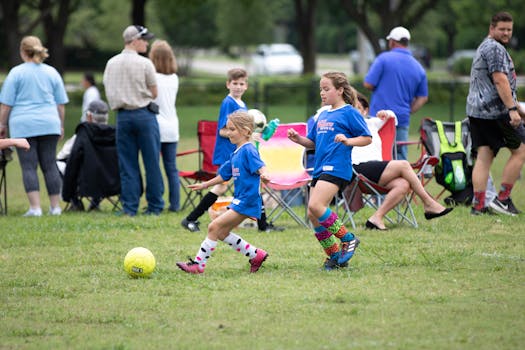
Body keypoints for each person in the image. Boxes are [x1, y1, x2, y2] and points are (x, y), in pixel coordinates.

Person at [181, 68, 282, 232]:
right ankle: (190, 219)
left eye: (241, 83)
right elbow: (222, 130)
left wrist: (255, 134)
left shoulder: (243, 104)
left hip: (240, 153)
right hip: (228, 153)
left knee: (252, 185)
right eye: (235, 83)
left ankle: (263, 225)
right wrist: (245, 136)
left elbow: (244, 128)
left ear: (246, 86)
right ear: (228, 84)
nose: (238, 87)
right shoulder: (228, 103)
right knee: (221, 187)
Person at [287, 72, 371, 270]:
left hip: (337, 167)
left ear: (340, 90)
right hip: (320, 168)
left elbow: (367, 138)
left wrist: (348, 140)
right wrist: (298, 139)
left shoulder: (349, 112)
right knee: (313, 214)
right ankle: (334, 256)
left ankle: (348, 239)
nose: (322, 94)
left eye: (327, 89)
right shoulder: (323, 114)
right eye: (321, 90)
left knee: (316, 205)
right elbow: (313, 142)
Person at [177, 111, 269, 274]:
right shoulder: (235, 153)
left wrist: (264, 174)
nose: (227, 133)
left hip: (247, 200)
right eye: (227, 129)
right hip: (239, 200)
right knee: (221, 232)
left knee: (214, 227)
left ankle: (198, 265)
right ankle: (256, 255)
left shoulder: (249, 150)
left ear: (246, 131)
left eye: (232, 129)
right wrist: (205, 185)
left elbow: (261, 165)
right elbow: (223, 176)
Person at [352, 93, 453, 230]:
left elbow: (393, 119)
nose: (355, 111)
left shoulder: (372, 123)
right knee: (404, 164)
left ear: (365, 111)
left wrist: (385, 113)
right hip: (358, 169)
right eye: (351, 108)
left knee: (404, 184)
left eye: (358, 108)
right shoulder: (347, 125)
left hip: (377, 171)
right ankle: (428, 202)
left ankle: (376, 218)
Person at [0, 35, 68, 217]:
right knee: (50, 164)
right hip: (49, 122)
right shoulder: (52, 72)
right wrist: (60, 125)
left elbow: (6, 104)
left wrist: (2, 124)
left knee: (29, 166)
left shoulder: (16, 73)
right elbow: (60, 104)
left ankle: (35, 208)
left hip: (24, 124)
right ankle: (55, 208)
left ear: (23, 52)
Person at [466, 12, 525, 216]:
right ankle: (502, 199)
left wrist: (517, 107)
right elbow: (500, 80)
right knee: (521, 150)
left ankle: (479, 205)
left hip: (477, 112)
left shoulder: (485, 46)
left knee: (484, 156)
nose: (506, 33)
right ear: (492, 29)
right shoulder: (495, 49)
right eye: (502, 29)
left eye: (509, 29)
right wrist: (511, 109)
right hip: (495, 112)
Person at [103, 25, 164, 216]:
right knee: (151, 162)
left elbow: (108, 89)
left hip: (123, 117)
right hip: (144, 116)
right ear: (134, 40)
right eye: (144, 39)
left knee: (127, 164)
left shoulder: (111, 63)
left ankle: (129, 207)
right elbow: (154, 92)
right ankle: (154, 206)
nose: (147, 43)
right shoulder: (145, 63)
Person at [364, 26, 428, 160]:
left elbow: (368, 84)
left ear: (392, 42)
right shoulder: (418, 66)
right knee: (399, 158)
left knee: (376, 155)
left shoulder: (383, 59)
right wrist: (408, 110)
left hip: (378, 118)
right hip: (402, 119)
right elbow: (423, 97)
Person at [58, 100, 114, 211]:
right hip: (111, 180)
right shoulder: (114, 134)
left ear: (89, 116)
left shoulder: (83, 134)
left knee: (58, 164)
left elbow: (61, 155)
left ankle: (75, 201)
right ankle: (95, 202)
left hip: (85, 181)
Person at [149, 40, 180, 212]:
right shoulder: (174, 78)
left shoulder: (153, 78)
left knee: (154, 166)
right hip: (172, 125)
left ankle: (157, 200)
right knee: (171, 168)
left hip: (156, 126)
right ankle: (175, 204)